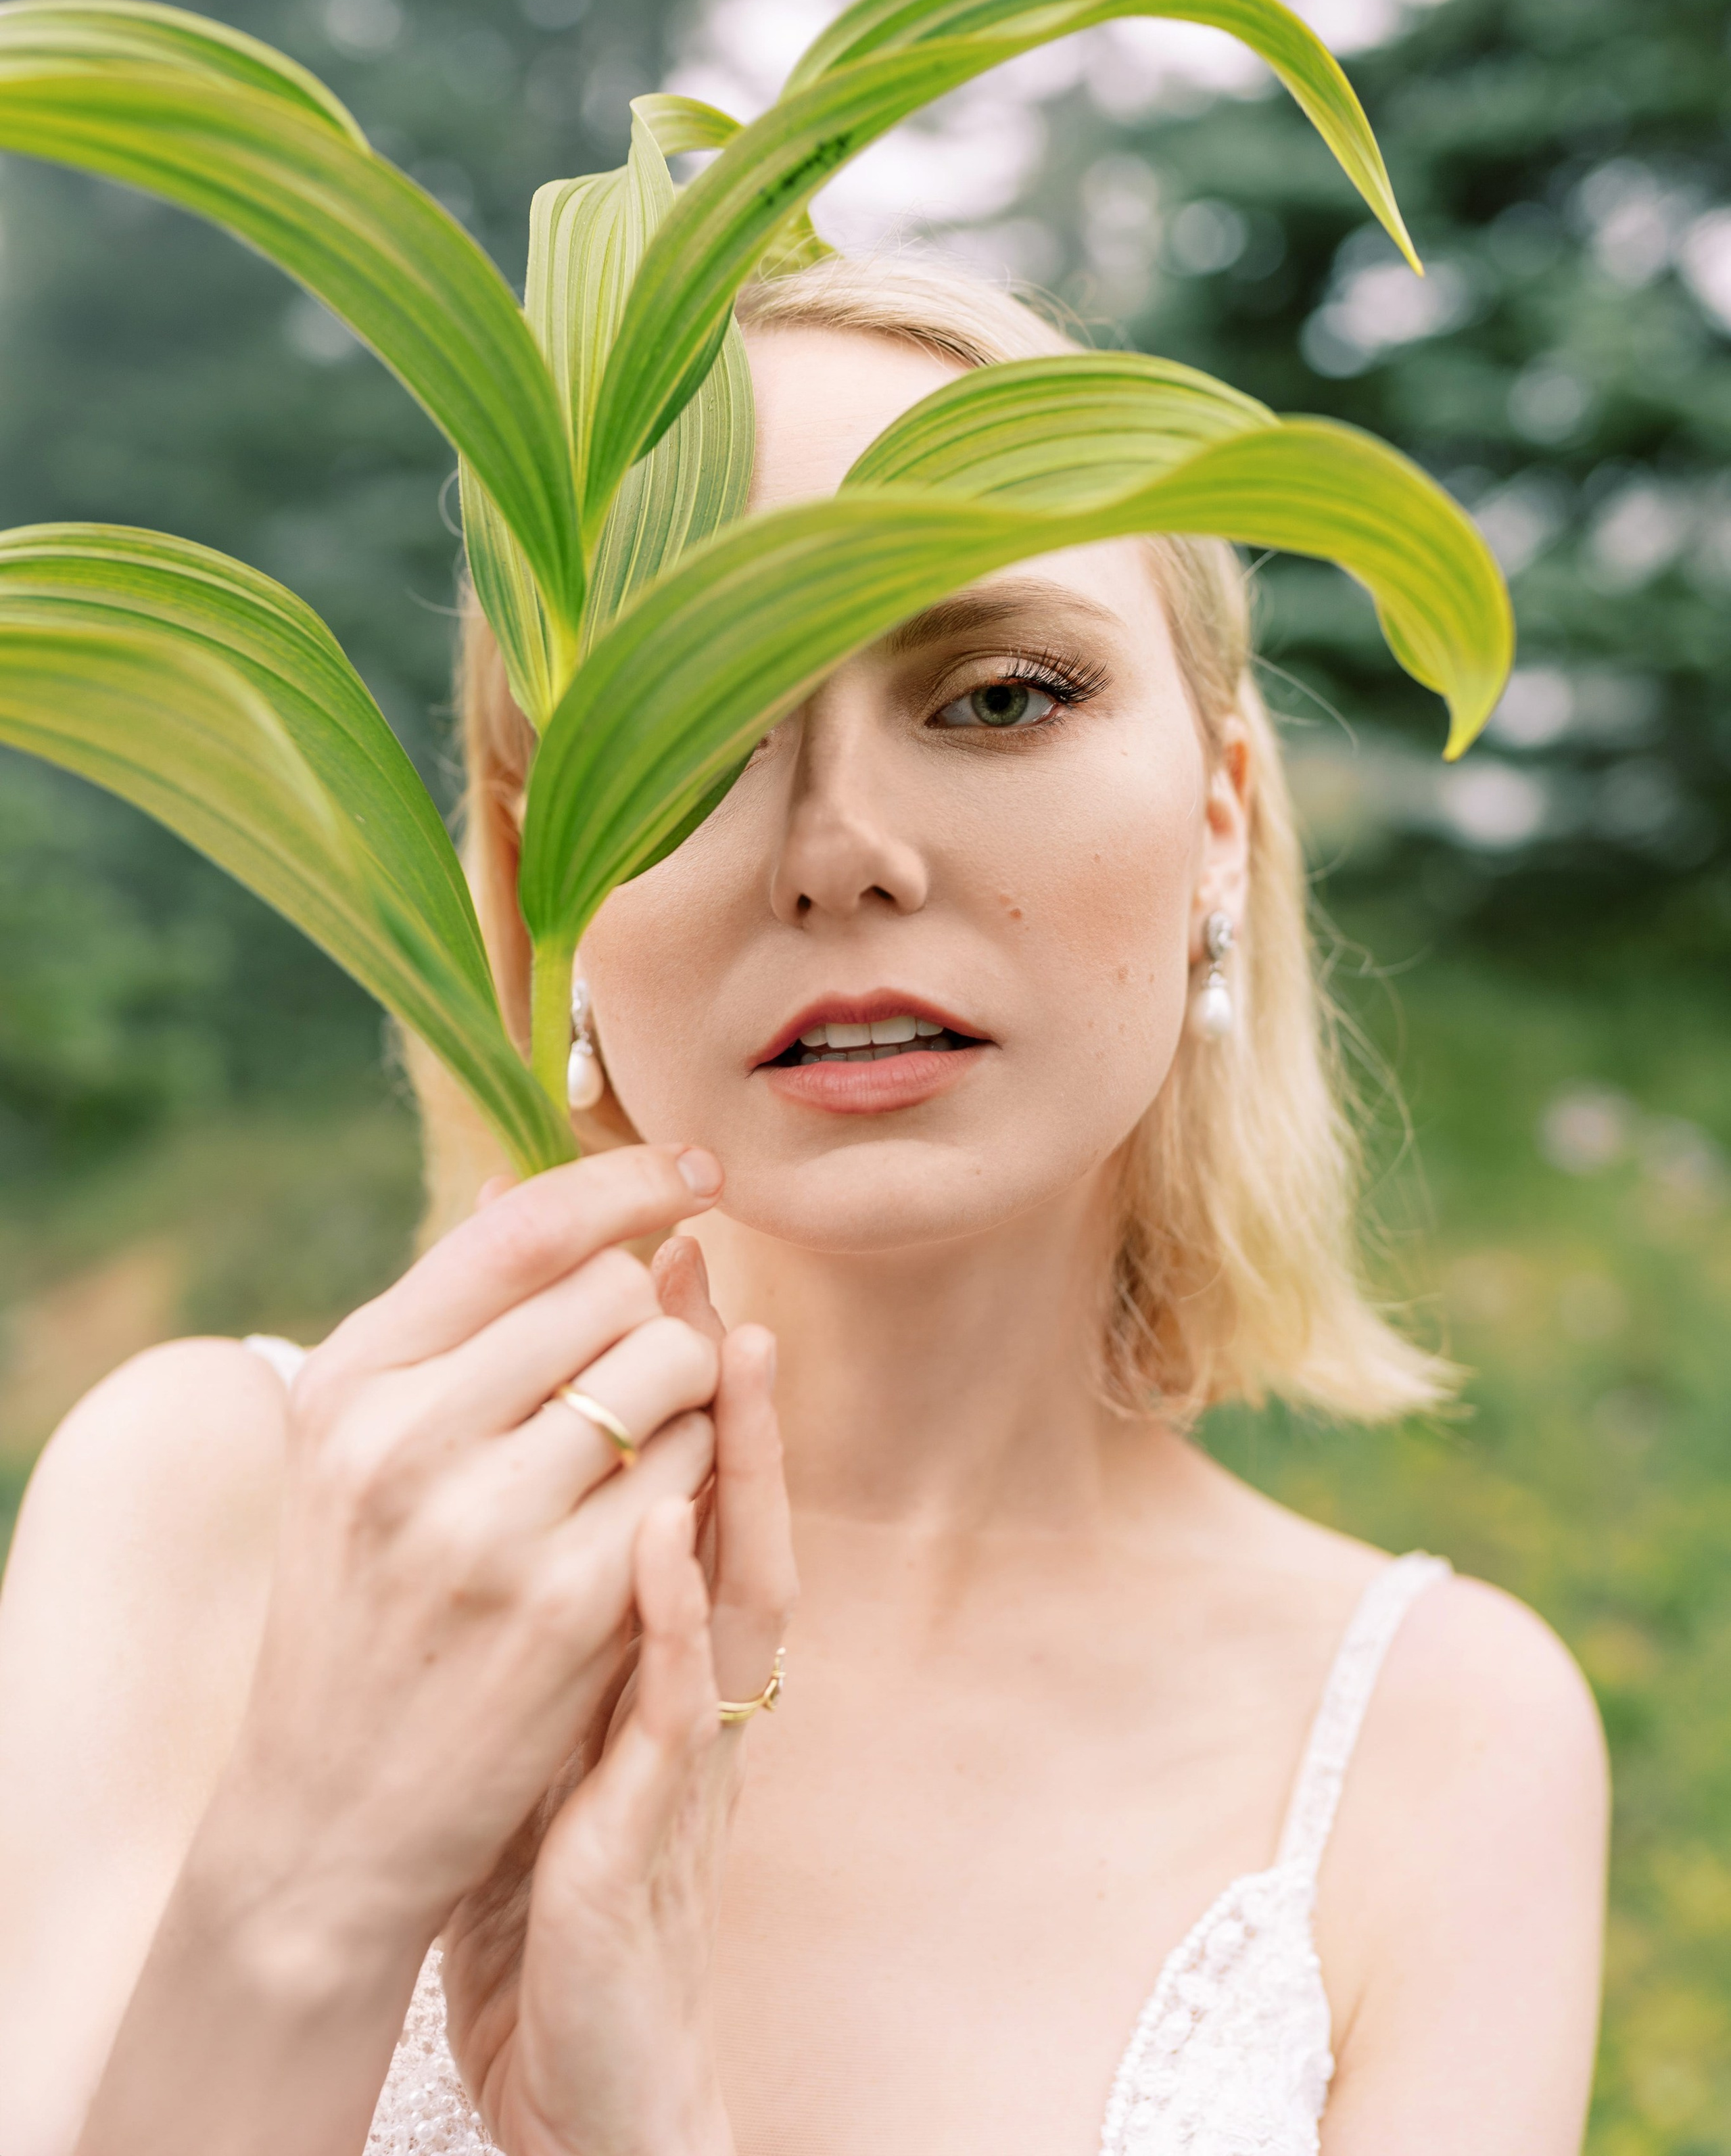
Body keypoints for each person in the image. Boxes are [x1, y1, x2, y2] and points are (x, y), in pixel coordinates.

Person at [0, 258, 1607, 2156]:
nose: (846, 849)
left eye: (1001, 695)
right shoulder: (225, 1516)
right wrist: (308, 1905)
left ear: (1221, 824)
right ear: (541, 880)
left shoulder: (1445, 1746)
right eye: (686, 731)